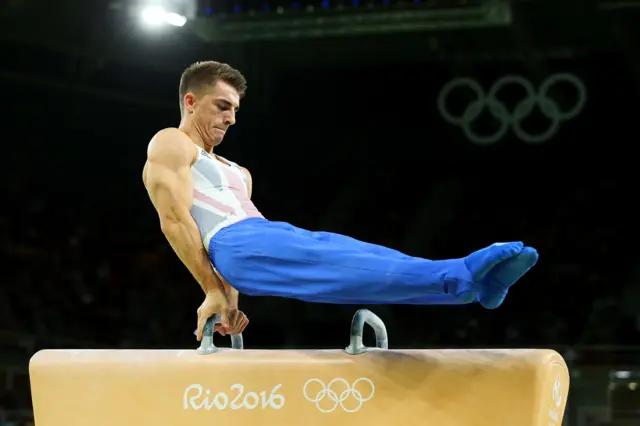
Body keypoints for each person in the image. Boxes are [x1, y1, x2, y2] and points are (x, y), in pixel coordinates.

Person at [142, 61, 539, 341]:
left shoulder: (238, 171)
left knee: (354, 261)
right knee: (335, 258)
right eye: (222, 106)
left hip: (257, 239)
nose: (231, 118)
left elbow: (241, 257)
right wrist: (212, 291)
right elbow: (175, 221)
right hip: (234, 241)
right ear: (191, 102)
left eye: (235, 110)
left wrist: (228, 301)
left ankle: (466, 287)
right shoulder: (171, 142)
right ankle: (462, 274)